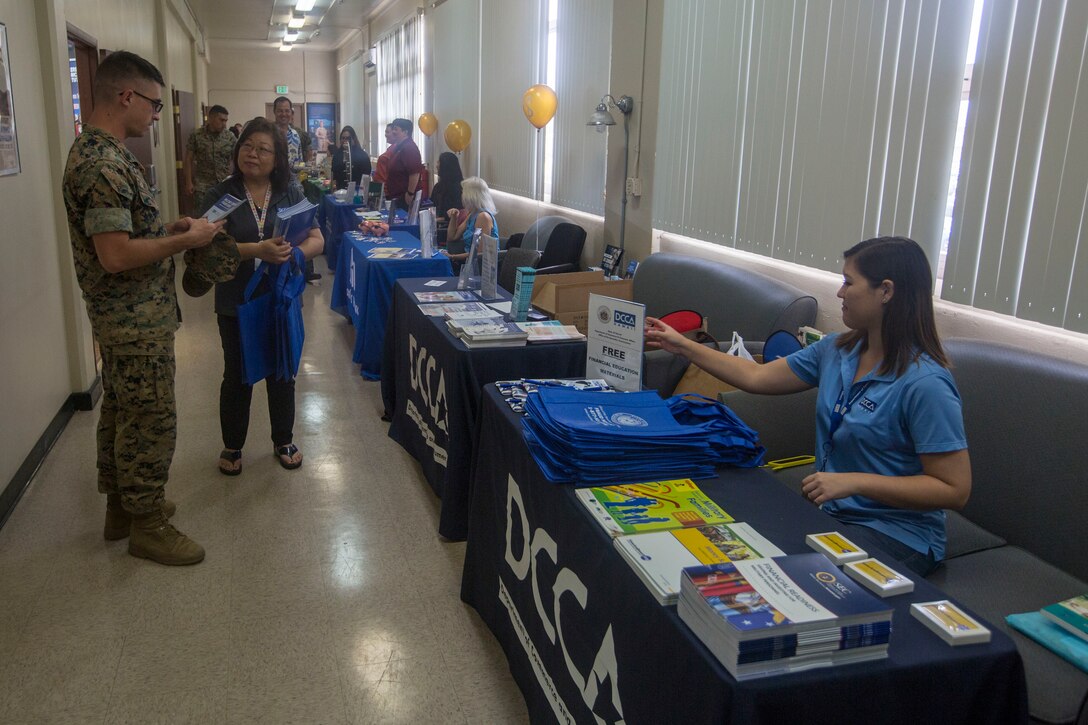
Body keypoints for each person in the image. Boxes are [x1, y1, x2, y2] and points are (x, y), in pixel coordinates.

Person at [644, 237, 971, 576]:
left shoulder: (926, 383)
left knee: (778, 575)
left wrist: (855, 482)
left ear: (885, 291)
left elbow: (954, 489)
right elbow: (756, 376)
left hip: (897, 534)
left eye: (848, 282)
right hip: (832, 512)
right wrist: (682, 345)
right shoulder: (835, 350)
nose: (840, 293)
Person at [62, 50, 224, 565]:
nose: (157, 115)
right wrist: (183, 242)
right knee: (151, 416)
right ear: (126, 96)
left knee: (122, 409)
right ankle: (148, 524)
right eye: (154, 104)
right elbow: (114, 255)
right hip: (132, 319)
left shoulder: (104, 153)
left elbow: (125, 236)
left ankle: (121, 507)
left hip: (128, 317)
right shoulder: (102, 163)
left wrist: (168, 230)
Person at [197, 118, 324, 476]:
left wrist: (294, 255)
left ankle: (283, 439)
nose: (252, 154)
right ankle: (233, 445)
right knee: (237, 373)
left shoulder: (289, 192)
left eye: (263, 148)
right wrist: (257, 250)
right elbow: (202, 249)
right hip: (235, 300)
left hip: (279, 299)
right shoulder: (220, 195)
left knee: (282, 370)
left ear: (277, 157)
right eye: (247, 146)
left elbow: (317, 239)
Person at [183, 104, 233, 209]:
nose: (224, 124)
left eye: (226, 121)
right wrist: (188, 182)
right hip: (202, 185)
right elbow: (188, 159)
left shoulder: (229, 137)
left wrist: (232, 176)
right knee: (202, 216)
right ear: (210, 118)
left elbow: (236, 158)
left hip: (224, 184)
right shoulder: (197, 135)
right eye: (221, 120)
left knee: (224, 218)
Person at [443, 176, 498, 267]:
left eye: (463, 192)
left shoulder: (483, 217)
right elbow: (452, 237)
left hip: (480, 267)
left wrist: (452, 256)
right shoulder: (473, 214)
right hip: (468, 262)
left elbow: (479, 254)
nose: (461, 195)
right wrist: (454, 218)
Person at [382, 118, 422, 211]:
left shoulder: (409, 148)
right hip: (397, 196)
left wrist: (410, 194)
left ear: (405, 132)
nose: (393, 132)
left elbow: (414, 173)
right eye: (393, 129)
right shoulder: (399, 146)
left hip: (405, 197)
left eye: (396, 129)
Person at [331, 125, 372, 190]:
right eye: (343, 138)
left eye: (347, 138)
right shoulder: (337, 154)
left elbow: (366, 175)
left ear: (353, 139)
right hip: (340, 191)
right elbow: (334, 174)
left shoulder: (362, 155)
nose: (345, 140)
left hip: (357, 191)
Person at [429, 151, 464, 224]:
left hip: (448, 225)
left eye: (439, 162)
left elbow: (458, 213)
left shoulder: (458, 189)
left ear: (446, 166)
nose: (436, 165)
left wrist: (438, 219)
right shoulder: (438, 187)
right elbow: (432, 205)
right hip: (435, 222)